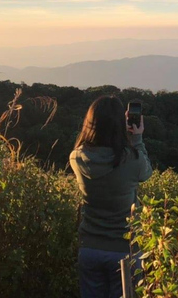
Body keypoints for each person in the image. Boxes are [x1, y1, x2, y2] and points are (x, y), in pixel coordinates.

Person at [70, 95, 153, 298]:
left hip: (89, 247)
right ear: (121, 124)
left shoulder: (77, 157)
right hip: (125, 250)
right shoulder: (132, 159)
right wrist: (137, 139)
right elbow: (146, 173)